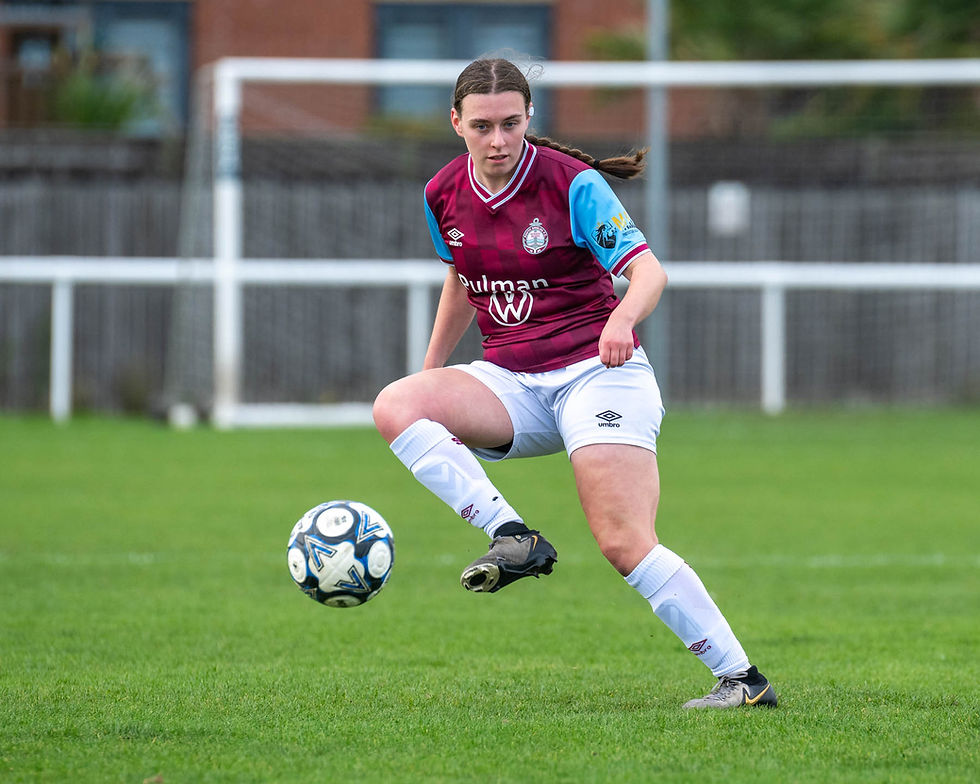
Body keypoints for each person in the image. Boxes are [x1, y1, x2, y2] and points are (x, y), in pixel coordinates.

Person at [372, 57, 777, 710]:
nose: (498, 140)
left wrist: (621, 318)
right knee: (398, 403)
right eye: (482, 126)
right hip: (512, 381)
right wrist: (431, 369)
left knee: (622, 542)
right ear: (456, 123)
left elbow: (648, 274)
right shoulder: (441, 194)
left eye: (510, 123)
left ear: (529, 118)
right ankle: (514, 538)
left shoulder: (572, 185)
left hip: (600, 375)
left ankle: (744, 681)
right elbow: (460, 278)